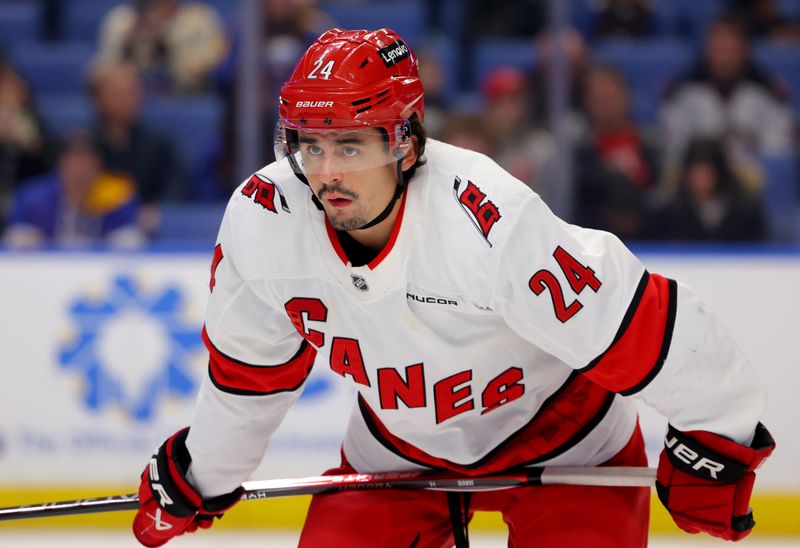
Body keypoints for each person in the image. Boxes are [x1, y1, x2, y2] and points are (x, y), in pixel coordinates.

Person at [131, 28, 774, 547]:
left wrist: (720, 439)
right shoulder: (264, 220)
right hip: (397, 455)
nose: (325, 174)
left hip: (570, 445)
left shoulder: (488, 225)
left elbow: (645, 326)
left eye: (351, 147)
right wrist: (202, 473)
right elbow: (249, 379)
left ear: (406, 144)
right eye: (310, 146)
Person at [4, 130, 143, 249]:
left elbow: (131, 240)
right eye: (73, 161)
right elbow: (14, 238)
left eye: (86, 161)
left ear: (98, 165)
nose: (79, 169)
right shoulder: (33, 196)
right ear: (61, 163)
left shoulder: (118, 195)